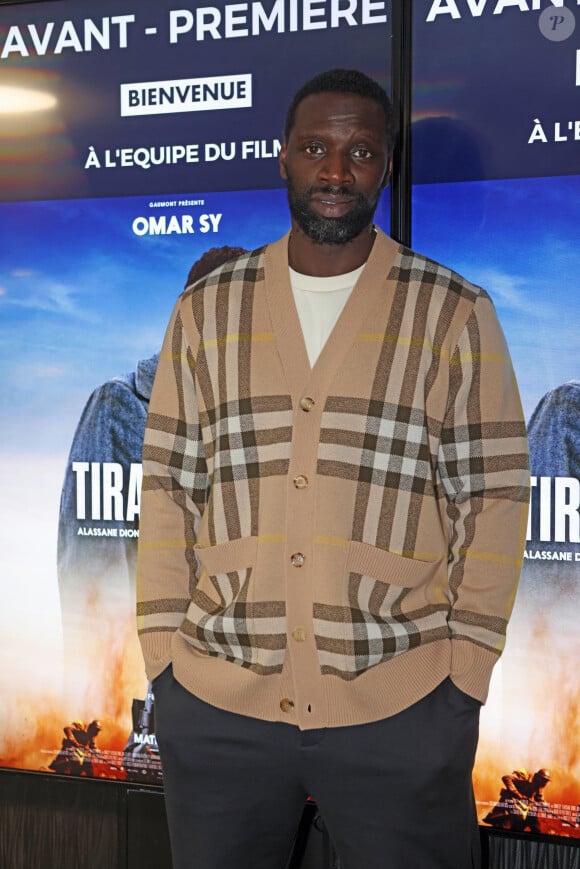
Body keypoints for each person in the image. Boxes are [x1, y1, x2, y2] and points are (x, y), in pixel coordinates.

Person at [137, 69, 530, 869]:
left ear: (386, 166)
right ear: (283, 157)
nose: (335, 170)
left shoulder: (453, 310)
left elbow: (493, 496)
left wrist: (464, 679)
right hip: (219, 703)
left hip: (402, 705)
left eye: (359, 151)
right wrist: (163, 660)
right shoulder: (208, 309)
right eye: (316, 147)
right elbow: (168, 486)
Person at [484, 768, 551, 833]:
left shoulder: (538, 790)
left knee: (535, 826)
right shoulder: (525, 780)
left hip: (522, 814)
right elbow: (506, 778)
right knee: (504, 829)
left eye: (545, 781)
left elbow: (540, 800)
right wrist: (518, 794)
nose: (543, 783)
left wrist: (546, 807)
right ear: (537, 777)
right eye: (542, 780)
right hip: (509, 811)